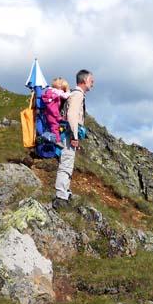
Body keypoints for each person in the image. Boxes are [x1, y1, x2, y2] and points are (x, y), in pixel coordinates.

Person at [53, 69, 94, 209]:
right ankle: (61, 197)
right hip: (69, 134)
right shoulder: (77, 95)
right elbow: (72, 116)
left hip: (66, 133)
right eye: (91, 81)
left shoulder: (74, 95)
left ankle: (65, 192)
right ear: (84, 81)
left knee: (66, 162)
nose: (92, 84)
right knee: (66, 164)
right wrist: (75, 137)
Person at [41, 77, 71, 146]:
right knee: (54, 126)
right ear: (60, 87)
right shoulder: (54, 95)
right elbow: (53, 108)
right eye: (63, 88)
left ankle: (54, 139)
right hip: (52, 114)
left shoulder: (52, 92)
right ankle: (57, 141)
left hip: (50, 113)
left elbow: (64, 95)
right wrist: (58, 117)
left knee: (54, 126)